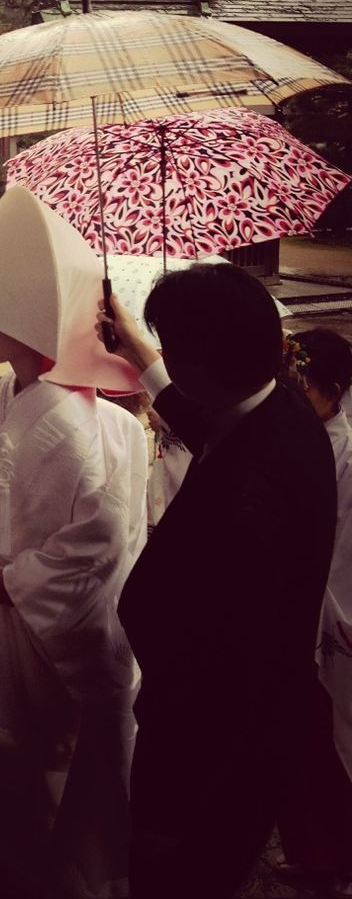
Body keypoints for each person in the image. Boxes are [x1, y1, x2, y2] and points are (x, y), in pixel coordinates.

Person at [98, 264, 337, 899]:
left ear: (205, 364)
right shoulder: (280, 410)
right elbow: (212, 424)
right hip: (250, 728)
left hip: (212, 755)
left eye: (175, 350)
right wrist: (138, 348)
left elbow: (218, 679)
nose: (169, 361)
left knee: (180, 877)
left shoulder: (250, 505)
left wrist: (167, 811)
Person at [0, 185, 148, 898]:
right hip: (3, 600)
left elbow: (102, 536)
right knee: (8, 768)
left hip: (44, 619)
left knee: (48, 766)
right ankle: (18, 864)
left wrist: (17, 578)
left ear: (30, 317)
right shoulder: (3, 396)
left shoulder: (77, 422)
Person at [277, 328, 352, 898]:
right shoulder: (303, 435)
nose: (294, 392)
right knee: (304, 747)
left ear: (334, 390)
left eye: (305, 386)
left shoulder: (340, 448)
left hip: (329, 611)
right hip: (302, 609)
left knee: (330, 746)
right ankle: (312, 852)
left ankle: (333, 859)